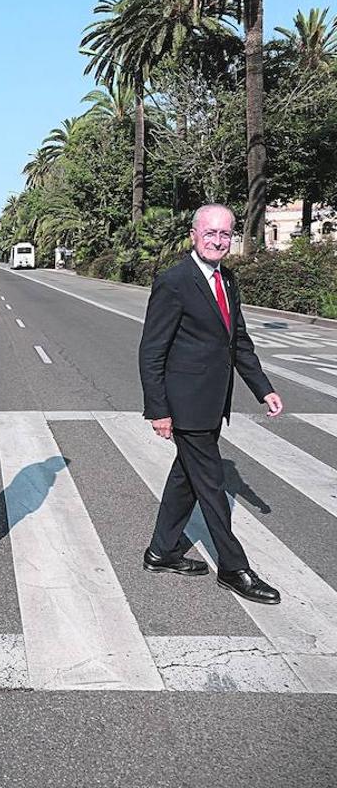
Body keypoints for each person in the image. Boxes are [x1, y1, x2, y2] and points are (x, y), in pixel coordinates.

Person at [139, 204, 283, 604]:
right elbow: (151, 352)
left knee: (185, 479)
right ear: (193, 235)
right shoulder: (174, 281)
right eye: (210, 233)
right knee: (212, 487)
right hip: (187, 407)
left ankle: (162, 551)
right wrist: (159, 410)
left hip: (212, 402)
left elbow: (237, 342)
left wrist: (263, 388)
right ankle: (234, 568)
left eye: (225, 234)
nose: (218, 241)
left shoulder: (227, 279)